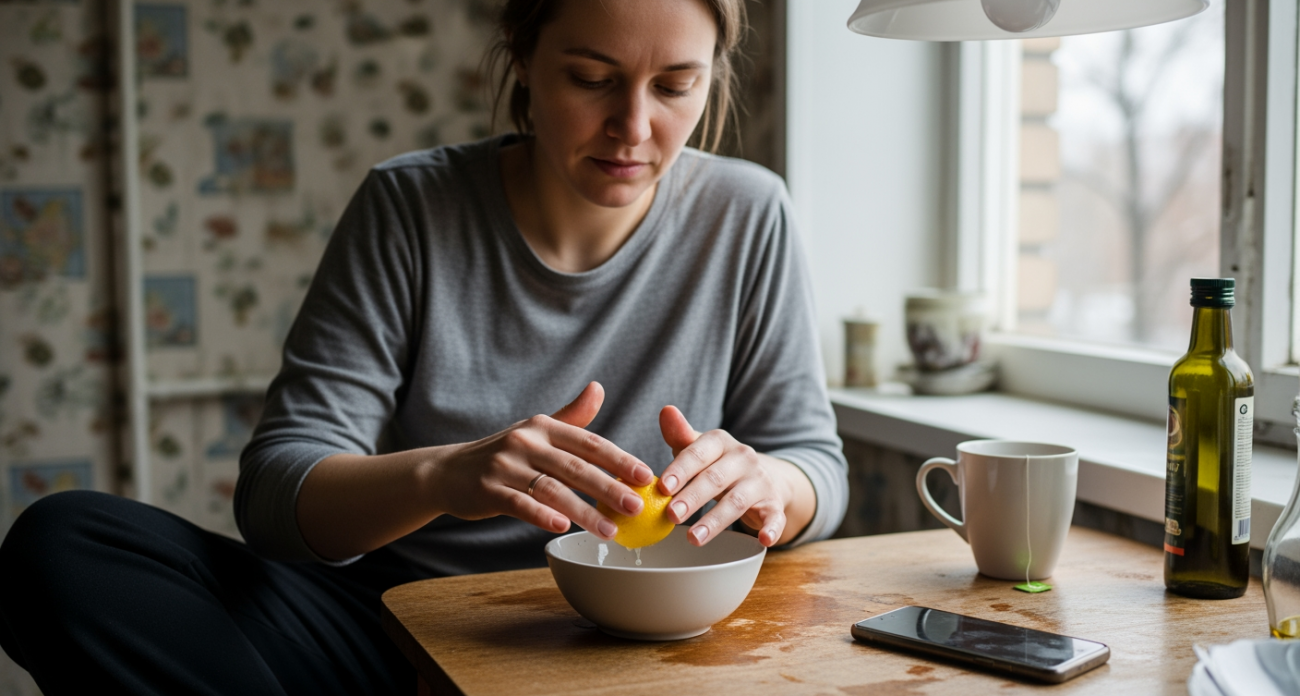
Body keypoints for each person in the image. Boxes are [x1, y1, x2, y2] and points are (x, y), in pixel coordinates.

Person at [0, 0, 847, 693]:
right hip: (401, 623)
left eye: (675, 85)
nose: (633, 126)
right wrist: (445, 475)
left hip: (649, 636)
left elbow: (817, 463)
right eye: (591, 78)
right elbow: (273, 493)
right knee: (64, 546)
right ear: (523, 54)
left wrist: (774, 480)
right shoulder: (410, 205)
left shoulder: (749, 214)